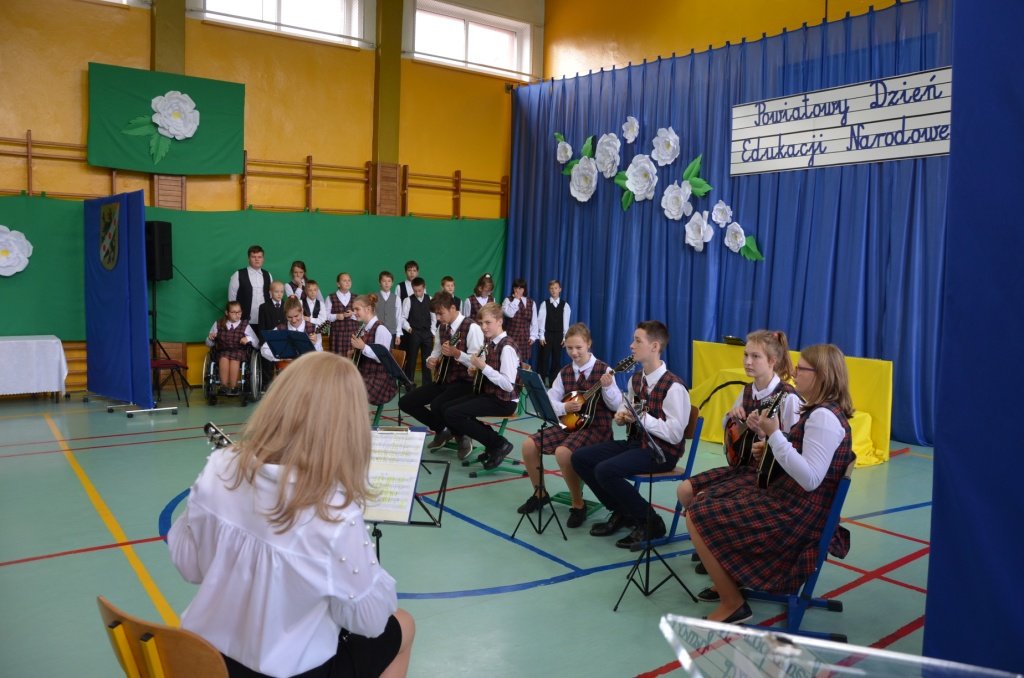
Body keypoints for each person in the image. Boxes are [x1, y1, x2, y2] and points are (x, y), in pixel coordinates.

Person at [167, 352, 415, 677]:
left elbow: (189, 565)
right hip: (282, 671)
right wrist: (366, 572)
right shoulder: (334, 511)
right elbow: (369, 622)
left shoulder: (221, 464)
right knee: (403, 624)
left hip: (203, 660)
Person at [683, 344, 855, 624]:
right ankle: (731, 580)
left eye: (801, 369)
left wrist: (774, 436)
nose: (794, 374)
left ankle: (732, 603)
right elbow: (804, 458)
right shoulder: (821, 412)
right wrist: (774, 445)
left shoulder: (823, 418)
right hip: (792, 501)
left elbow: (811, 479)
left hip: (797, 514)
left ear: (821, 375)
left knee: (697, 513)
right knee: (706, 500)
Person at [571, 320, 691, 549]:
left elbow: (675, 434)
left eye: (637, 341)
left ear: (654, 346)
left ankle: (651, 521)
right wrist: (621, 415)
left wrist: (640, 418)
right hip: (637, 444)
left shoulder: (674, 387)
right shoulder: (636, 380)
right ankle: (623, 512)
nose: (631, 345)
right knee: (580, 458)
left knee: (605, 470)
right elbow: (627, 407)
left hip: (661, 452)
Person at [676, 330, 801, 508]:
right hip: (742, 467)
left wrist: (764, 435)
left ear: (772, 361)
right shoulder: (747, 391)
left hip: (771, 476)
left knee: (704, 501)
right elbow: (728, 430)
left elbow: (796, 448)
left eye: (755, 356)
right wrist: (732, 418)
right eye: (746, 355)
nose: (748, 362)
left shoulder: (788, 397)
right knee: (684, 490)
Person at [517, 323, 621, 528]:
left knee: (563, 453)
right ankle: (540, 494)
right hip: (570, 424)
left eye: (579, 347)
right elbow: (550, 400)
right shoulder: (565, 372)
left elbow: (617, 405)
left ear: (589, 344)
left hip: (596, 428)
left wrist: (608, 388)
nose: (574, 352)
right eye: (569, 348)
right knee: (529, 445)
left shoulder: (604, 370)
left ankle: (578, 504)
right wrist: (564, 407)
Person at [398, 292, 483, 457]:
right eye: (435, 314)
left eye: (440, 313)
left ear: (453, 308)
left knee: (438, 404)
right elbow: (435, 353)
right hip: (445, 380)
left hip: (466, 382)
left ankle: (462, 434)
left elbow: (477, 363)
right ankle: (442, 429)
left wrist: (457, 354)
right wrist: (430, 360)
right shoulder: (442, 327)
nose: (437, 318)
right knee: (406, 402)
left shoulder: (471, 327)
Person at [443, 302, 519, 468]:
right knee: (447, 408)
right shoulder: (490, 342)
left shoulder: (506, 347)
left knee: (454, 414)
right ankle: (493, 444)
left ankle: (498, 443)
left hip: (504, 401)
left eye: (488, 322)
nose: (483, 327)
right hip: (491, 394)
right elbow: (489, 371)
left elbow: (508, 385)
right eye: (481, 323)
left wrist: (484, 368)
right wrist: (477, 371)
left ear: (500, 321)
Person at [350, 294, 398, 407]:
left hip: (380, 381)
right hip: (365, 374)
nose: (354, 312)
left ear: (368, 309)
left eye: (357, 309)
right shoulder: (363, 328)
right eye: (353, 309)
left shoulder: (381, 329)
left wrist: (363, 347)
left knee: (347, 388)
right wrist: (354, 353)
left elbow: (381, 358)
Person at [206, 300, 259, 396]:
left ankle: (234, 387)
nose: (237, 315)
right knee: (223, 358)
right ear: (227, 313)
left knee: (235, 359)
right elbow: (209, 344)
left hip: (239, 351)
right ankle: (224, 386)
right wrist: (210, 338)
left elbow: (257, 343)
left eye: (239, 312)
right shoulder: (218, 324)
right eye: (234, 312)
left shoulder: (245, 325)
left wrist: (248, 338)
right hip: (223, 351)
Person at [260, 297, 322, 364]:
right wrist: (281, 357)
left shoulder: (313, 328)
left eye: (296, 316)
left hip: (307, 367)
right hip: (287, 367)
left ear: (302, 311)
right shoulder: (280, 329)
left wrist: (315, 344)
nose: (294, 320)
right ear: (285, 315)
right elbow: (264, 349)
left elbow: (320, 355)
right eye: (289, 317)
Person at [535, 279, 571, 386]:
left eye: (556, 288)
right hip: (547, 335)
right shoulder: (544, 304)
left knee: (556, 360)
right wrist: (541, 336)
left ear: (560, 289)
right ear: (549, 290)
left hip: (559, 336)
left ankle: (553, 383)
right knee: (544, 359)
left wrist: (565, 337)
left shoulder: (565, 305)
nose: (554, 290)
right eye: (551, 288)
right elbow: (541, 321)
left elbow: (566, 323)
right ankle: (540, 382)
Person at [228, 245, 272, 331]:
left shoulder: (268, 275)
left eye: (259, 257)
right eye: (253, 257)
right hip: (243, 320)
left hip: (264, 320)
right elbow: (231, 300)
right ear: (248, 258)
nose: (257, 259)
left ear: (263, 259)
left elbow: (271, 297)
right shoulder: (238, 274)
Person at [400, 277, 434, 387]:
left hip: (427, 333)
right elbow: (403, 318)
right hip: (414, 333)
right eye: (415, 291)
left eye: (420, 290)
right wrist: (409, 328)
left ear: (424, 288)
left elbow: (434, 318)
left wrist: (432, 332)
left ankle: (427, 385)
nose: (418, 293)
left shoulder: (430, 299)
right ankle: (409, 384)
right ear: (412, 289)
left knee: (427, 359)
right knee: (411, 359)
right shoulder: (408, 300)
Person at [502, 278, 537, 364]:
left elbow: (534, 321)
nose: (518, 290)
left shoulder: (531, 302)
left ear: (524, 289)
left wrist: (533, 336)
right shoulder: (507, 300)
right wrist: (516, 299)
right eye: (516, 288)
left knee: (523, 363)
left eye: (520, 288)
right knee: (509, 361)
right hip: (511, 336)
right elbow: (509, 314)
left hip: (525, 338)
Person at [326, 272, 359, 358]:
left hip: (352, 334)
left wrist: (352, 314)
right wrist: (337, 316)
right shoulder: (331, 297)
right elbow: (326, 316)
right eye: (344, 280)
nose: (347, 282)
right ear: (338, 284)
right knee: (337, 360)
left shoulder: (356, 297)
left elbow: (361, 315)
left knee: (351, 359)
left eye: (349, 280)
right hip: (337, 335)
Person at [376, 271, 402, 342]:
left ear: (392, 283)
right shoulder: (374, 297)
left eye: (389, 281)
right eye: (384, 281)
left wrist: (398, 335)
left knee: (390, 349)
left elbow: (398, 317)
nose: (386, 283)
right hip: (377, 331)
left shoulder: (396, 298)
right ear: (380, 282)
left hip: (392, 332)